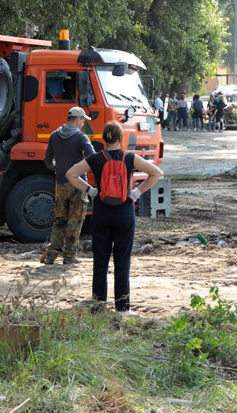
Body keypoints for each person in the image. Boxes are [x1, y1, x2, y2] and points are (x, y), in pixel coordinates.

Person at [65, 121, 163, 316]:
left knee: (100, 260)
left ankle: (98, 304)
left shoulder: (95, 158)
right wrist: (136, 193)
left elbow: (71, 174)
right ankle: (122, 308)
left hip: (101, 212)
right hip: (124, 212)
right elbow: (156, 173)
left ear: (103, 139)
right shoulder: (129, 158)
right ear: (121, 138)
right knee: (122, 260)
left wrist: (90, 190)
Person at [41, 106, 96, 265]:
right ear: (78, 119)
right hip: (78, 184)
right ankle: (70, 256)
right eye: (83, 120)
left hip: (60, 183)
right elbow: (92, 157)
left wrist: (56, 169)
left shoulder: (54, 136)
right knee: (75, 220)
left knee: (59, 219)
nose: (84, 123)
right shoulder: (81, 138)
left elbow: (47, 161)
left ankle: (51, 255)